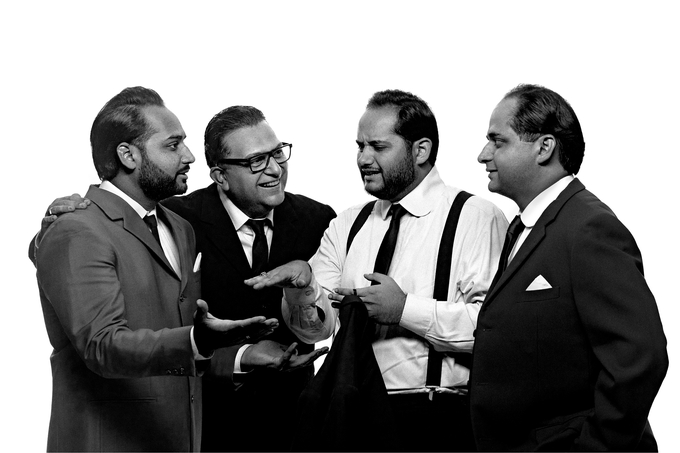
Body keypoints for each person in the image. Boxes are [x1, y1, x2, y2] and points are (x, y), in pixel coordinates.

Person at [33, 105, 336, 452]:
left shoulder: (315, 219)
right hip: (191, 428)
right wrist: (48, 235)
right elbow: (115, 329)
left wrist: (246, 351)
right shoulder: (180, 216)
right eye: (256, 160)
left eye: (278, 153)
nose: (275, 168)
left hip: (286, 423)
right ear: (221, 176)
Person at [247, 89, 508, 452]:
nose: (363, 158)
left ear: (421, 150)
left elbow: (493, 331)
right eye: (360, 146)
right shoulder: (347, 224)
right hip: (350, 415)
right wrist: (303, 288)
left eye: (378, 147)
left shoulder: (475, 216)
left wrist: (404, 309)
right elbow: (315, 331)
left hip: (432, 417)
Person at [470, 84, 669, 451]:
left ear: (544, 147)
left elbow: (640, 356)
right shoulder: (523, 229)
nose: (483, 155)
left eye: (498, 141)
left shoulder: (589, 228)